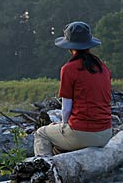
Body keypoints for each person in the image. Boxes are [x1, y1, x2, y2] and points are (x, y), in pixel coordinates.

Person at [33, 21, 112, 157]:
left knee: (41, 134)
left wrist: (63, 125)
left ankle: (44, 170)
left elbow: (66, 108)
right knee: (61, 142)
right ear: (89, 44)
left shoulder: (69, 69)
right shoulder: (102, 67)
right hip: (105, 133)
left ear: (70, 47)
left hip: (82, 134)